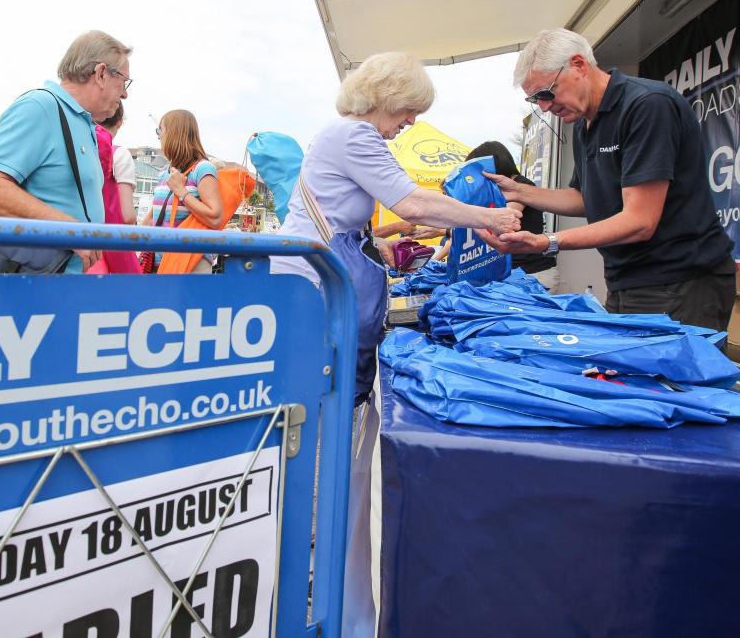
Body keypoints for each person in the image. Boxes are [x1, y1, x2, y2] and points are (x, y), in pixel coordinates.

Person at [270, 52, 518, 638]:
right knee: (327, 438)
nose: (409, 122)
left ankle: (324, 571)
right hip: (317, 297)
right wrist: (489, 217)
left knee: (333, 433)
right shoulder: (356, 135)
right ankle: (320, 576)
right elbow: (413, 201)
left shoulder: (347, 139)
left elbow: (367, 214)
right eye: (408, 110)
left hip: (324, 294)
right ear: (383, 95)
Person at [482, 28, 735, 330]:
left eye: (547, 92)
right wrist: (519, 191)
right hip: (626, 280)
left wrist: (545, 242)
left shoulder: (647, 105)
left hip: (680, 280)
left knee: (675, 377)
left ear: (578, 65)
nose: (545, 107)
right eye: (535, 99)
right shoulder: (585, 124)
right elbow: (585, 198)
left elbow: (640, 221)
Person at [0, 30, 131, 273]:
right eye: (123, 81)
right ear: (100, 74)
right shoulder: (40, 107)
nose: (124, 93)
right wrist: (69, 230)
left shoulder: (81, 121)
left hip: (58, 281)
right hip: (30, 283)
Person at [465, 140, 558, 290]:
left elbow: (503, 218)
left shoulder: (521, 185)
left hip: (533, 273)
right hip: (513, 272)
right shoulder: (497, 190)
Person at [141, 109, 224, 273]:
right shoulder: (164, 172)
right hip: (160, 264)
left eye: (160, 130)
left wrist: (181, 191)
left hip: (190, 264)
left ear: (174, 133)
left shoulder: (202, 169)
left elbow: (215, 217)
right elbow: (154, 216)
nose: (158, 135)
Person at [93, 103, 141, 273]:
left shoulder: (83, 150)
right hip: (113, 242)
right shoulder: (120, 154)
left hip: (83, 239)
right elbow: (128, 216)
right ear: (120, 122)